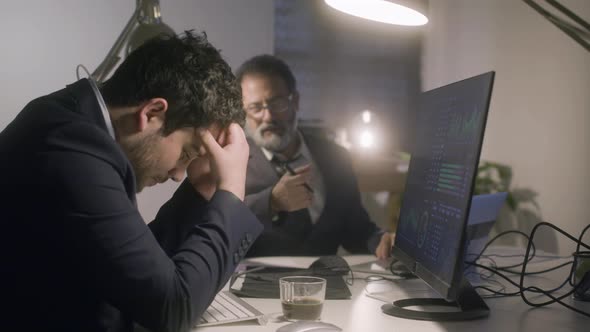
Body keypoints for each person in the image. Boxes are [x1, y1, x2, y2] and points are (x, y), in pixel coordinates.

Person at [0, 31, 263, 332]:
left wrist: (201, 189)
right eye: (187, 152)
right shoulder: (70, 149)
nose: (179, 174)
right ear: (152, 113)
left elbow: (137, 271)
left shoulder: (74, 127)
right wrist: (231, 190)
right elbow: (173, 306)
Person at [235, 54, 394, 259]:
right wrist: (271, 202)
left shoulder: (336, 157)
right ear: (243, 112)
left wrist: (382, 240)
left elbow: (356, 231)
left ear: (296, 101)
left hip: (328, 287)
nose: (269, 117)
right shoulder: (233, 162)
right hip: (253, 288)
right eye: (256, 108)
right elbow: (221, 226)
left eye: (277, 103)